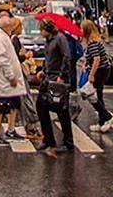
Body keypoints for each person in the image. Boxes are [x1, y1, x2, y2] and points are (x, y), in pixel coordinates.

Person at [0, 16, 27, 146]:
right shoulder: (0, 38)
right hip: (5, 80)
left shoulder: (3, 37)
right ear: (6, 27)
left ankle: (11, 130)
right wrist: (11, 76)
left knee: (14, 104)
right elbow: (2, 59)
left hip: (9, 80)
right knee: (1, 106)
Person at [35, 19, 75, 154]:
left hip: (58, 79)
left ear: (47, 29)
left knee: (62, 110)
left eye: (41, 29)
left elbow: (66, 57)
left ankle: (68, 143)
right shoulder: (48, 41)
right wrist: (43, 71)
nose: (40, 32)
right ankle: (48, 139)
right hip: (48, 78)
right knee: (41, 106)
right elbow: (49, 59)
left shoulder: (60, 38)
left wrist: (62, 76)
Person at [81, 19, 113, 133]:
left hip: (100, 72)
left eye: (82, 28)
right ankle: (102, 122)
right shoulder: (94, 41)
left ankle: (108, 117)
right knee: (98, 96)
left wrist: (91, 74)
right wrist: (86, 64)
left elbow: (96, 59)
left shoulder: (93, 43)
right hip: (102, 70)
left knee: (90, 95)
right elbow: (93, 58)